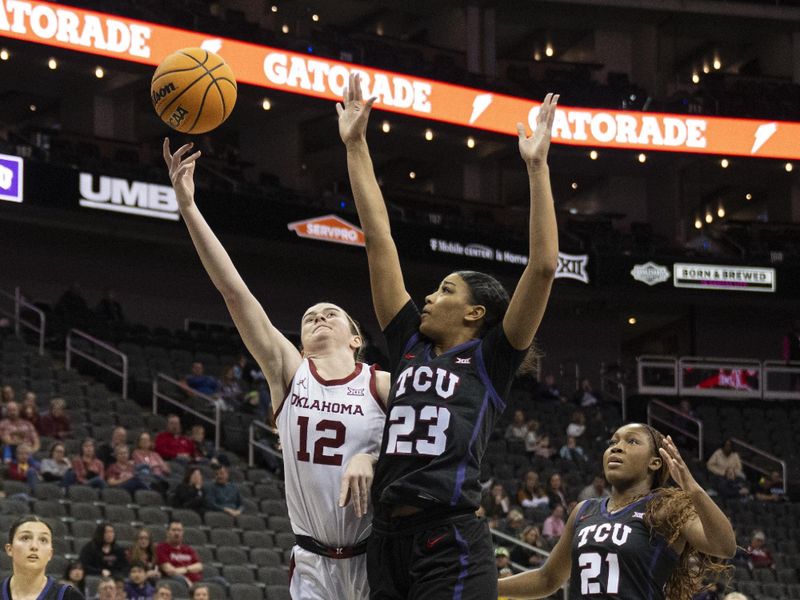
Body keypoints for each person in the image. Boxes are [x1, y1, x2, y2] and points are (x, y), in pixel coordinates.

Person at [338, 74, 559, 599]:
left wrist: (536, 168)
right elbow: (379, 240)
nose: (429, 299)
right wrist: (355, 146)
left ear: (475, 312)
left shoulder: (491, 358)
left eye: (443, 290)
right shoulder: (409, 345)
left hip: (450, 536)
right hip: (387, 538)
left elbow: (545, 266)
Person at [164, 136, 391, 600]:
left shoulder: (380, 383)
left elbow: (426, 454)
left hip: (377, 557)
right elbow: (235, 292)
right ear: (301, 342)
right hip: (312, 563)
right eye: (309, 316)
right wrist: (189, 206)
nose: (318, 317)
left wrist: (372, 458)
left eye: (331, 314)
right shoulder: (290, 371)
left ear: (355, 339)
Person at [498, 424, 736, 599]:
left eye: (632, 441)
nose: (617, 448)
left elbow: (724, 546)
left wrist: (690, 486)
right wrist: (487, 586)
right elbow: (547, 579)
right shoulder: (584, 510)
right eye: (613, 442)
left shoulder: (665, 507)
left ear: (655, 462)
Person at [3, 515, 84, 600]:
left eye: (43, 540)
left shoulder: (69, 596)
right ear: (9, 549)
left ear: (50, 553)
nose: (34, 546)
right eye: (25, 538)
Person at [155, 521, 203, 589]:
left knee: (219, 580)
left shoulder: (188, 549)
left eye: (179, 530)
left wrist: (185, 569)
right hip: (179, 581)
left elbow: (199, 566)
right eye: (174, 530)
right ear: (167, 532)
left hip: (197, 581)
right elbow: (170, 571)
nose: (177, 533)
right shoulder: (161, 548)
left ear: (182, 533)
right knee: (182, 580)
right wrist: (186, 576)